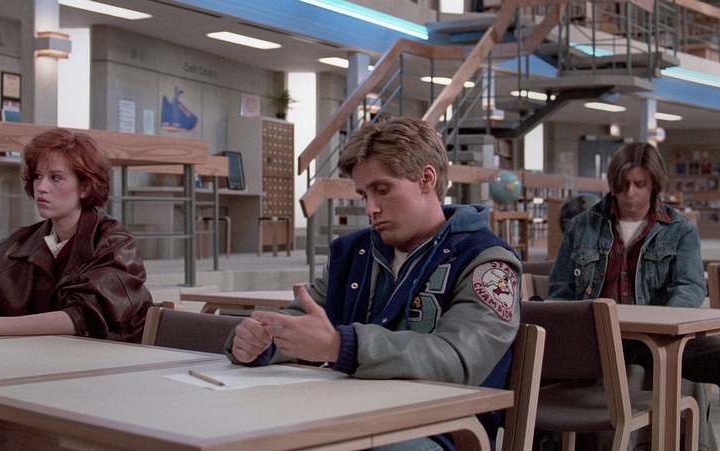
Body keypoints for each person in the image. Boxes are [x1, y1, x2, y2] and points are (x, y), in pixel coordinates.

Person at [225, 117, 521, 450]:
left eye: (382, 190)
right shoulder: (353, 253)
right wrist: (262, 342)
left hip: (439, 431)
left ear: (426, 179)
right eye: (363, 194)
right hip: (351, 415)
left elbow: (459, 359)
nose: (370, 208)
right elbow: (302, 323)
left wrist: (341, 346)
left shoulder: (487, 261)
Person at [0, 128, 153, 343]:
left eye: (55, 178)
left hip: (109, 368)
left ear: (85, 187)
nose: (41, 187)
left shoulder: (116, 245)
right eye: (38, 176)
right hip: (43, 362)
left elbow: (79, 318)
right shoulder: (22, 242)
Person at [549, 141, 719, 450]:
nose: (630, 193)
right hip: (598, 337)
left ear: (654, 185)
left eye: (639, 185)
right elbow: (560, 290)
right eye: (622, 185)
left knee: (699, 355)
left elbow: (690, 286)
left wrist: (660, 322)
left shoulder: (679, 229)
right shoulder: (582, 226)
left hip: (656, 335)